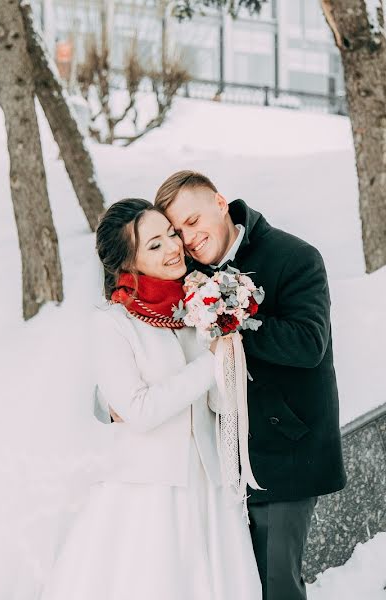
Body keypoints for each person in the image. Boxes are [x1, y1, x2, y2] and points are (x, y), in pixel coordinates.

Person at [39, 198, 261, 600]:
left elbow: (219, 403)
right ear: (129, 262)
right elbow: (138, 411)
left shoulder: (197, 309)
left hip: (209, 487)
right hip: (150, 490)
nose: (174, 247)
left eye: (171, 234)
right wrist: (209, 364)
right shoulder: (112, 324)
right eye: (154, 244)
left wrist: (227, 344)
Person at [155, 171, 347, 600]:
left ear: (220, 203)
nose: (187, 239)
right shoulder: (189, 273)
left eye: (192, 221)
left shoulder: (295, 256)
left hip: (284, 451)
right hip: (214, 461)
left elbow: (308, 344)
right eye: (177, 231)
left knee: (276, 586)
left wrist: (232, 320)